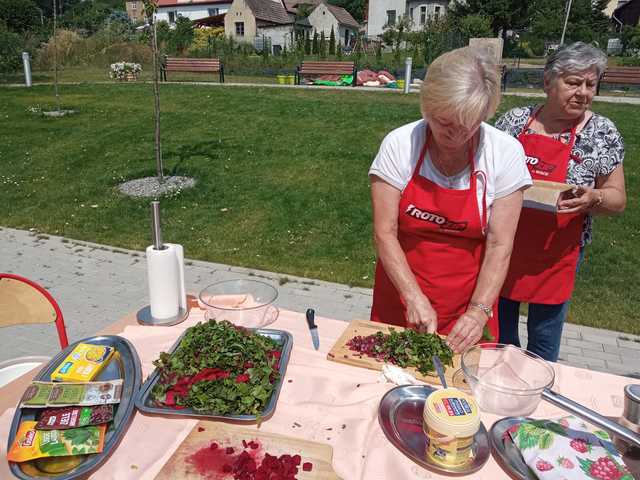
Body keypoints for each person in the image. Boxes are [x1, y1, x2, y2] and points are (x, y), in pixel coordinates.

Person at [368, 46, 532, 354]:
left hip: (468, 303)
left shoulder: (505, 153)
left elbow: (500, 244)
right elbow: (384, 233)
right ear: (427, 106)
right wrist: (412, 297)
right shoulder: (400, 145)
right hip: (400, 299)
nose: (456, 134)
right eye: (445, 122)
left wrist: (478, 311)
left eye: (467, 124)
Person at [495, 42, 627, 362]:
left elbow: (617, 198)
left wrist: (594, 197)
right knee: (499, 332)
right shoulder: (514, 122)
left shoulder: (601, 132)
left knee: (543, 337)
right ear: (547, 82)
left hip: (558, 255)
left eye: (590, 84)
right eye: (573, 82)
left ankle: (539, 394)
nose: (582, 92)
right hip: (505, 245)